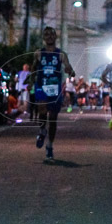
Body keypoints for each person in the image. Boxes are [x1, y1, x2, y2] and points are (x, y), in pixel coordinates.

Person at [31, 26, 75, 161]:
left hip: (55, 88)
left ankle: (49, 146)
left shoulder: (61, 54)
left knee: (53, 118)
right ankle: (42, 130)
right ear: (43, 38)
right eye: (46, 34)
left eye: (52, 34)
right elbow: (34, 68)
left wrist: (70, 70)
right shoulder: (38, 53)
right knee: (42, 111)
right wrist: (31, 80)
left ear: (56, 37)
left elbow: (69, 67)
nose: (49, 36)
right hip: (41, 85)